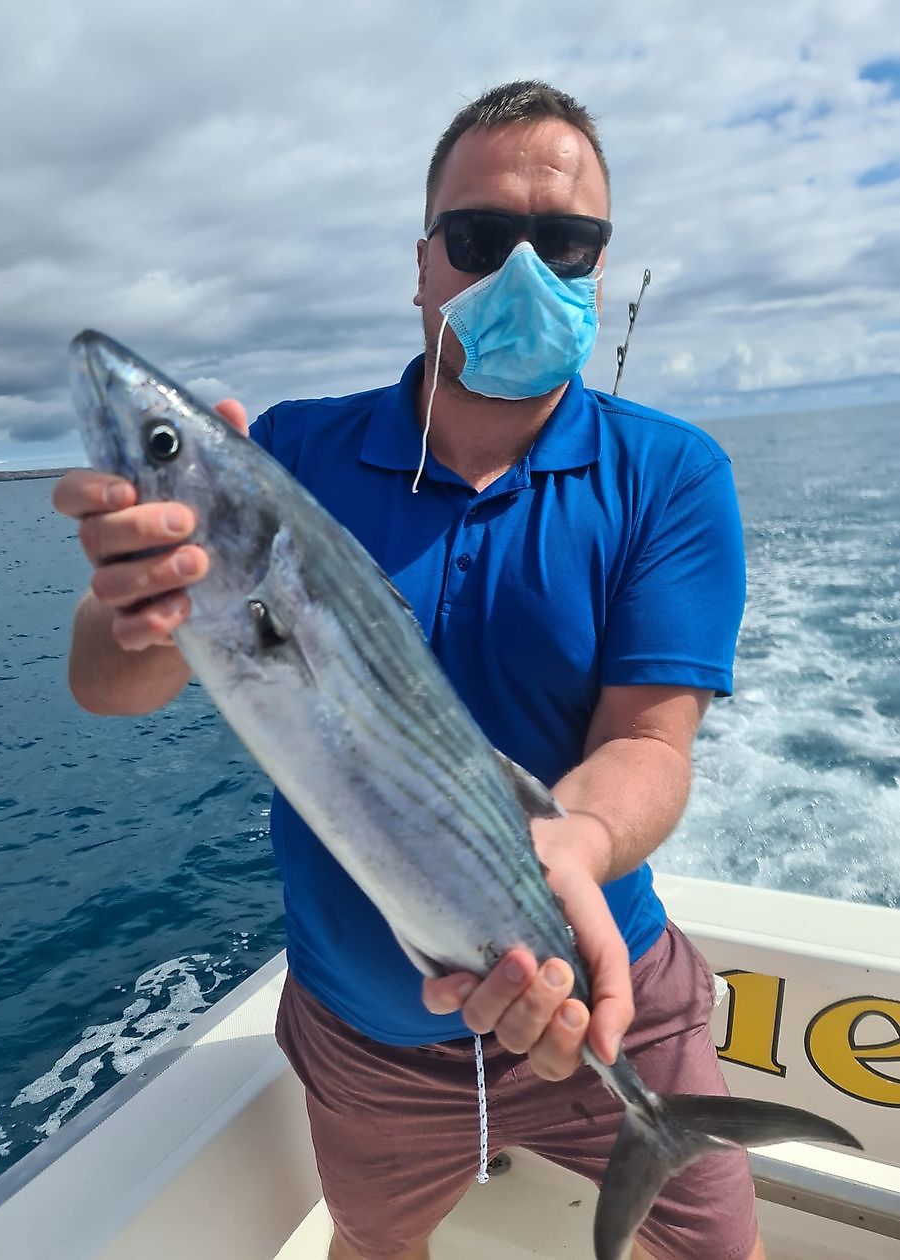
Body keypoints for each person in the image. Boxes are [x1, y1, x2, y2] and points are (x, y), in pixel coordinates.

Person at [54, 81, 759, 1260]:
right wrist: (137, 610)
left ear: (599, 267)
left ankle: (650, 1123)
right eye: (479, 237)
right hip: (368, 1035)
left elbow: (651, 742)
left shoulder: (671, 474)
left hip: (607, 988)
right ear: (422, 265)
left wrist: (572, 844)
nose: (523, 268)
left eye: (565, 241)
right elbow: (109, 684)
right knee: (374, 1247)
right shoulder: (292, 452)